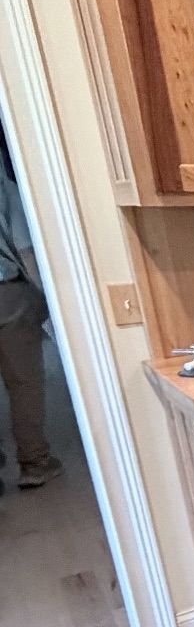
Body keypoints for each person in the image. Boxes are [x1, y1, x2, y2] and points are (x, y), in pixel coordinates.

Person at [0, 127, 60, 493]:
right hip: (7, 293)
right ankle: (34, 463)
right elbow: (24, 247)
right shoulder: (6, 183)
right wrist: (51, 300)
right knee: (23, 383)